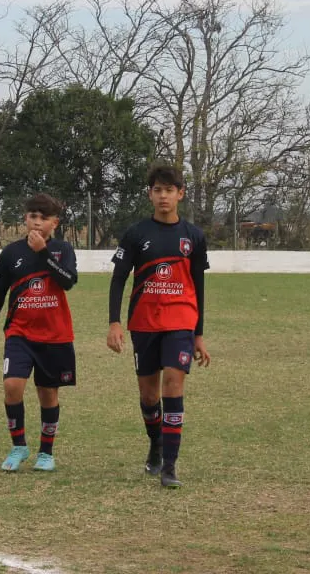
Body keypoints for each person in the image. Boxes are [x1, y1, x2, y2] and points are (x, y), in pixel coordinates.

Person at [107, 164, 209, 488]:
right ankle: (155, 443)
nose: (163, 196)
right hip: (144, 323)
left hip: (180, 321)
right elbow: (119, 278)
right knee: (149, 395)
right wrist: (114, 323)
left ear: (180, 194)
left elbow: (198, 286)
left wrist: (199, 334)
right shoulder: (137, 233)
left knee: (173, 385)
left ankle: (170, 467)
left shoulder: (194, 237)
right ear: (150, 194)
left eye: (170, 190)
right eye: (157, 190)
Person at [0, 193, 78, 473]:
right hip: (19, 333)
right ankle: (18, 446)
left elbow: (68, 281)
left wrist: (43, 253)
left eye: (43, 218)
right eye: (32, 216)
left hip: (55, 335)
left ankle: (46, 453)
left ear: (54, 223)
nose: (36, 223)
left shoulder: (62, 250)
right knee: (12, 386)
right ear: (25, 219)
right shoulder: (11, 253)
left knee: (48, 394)